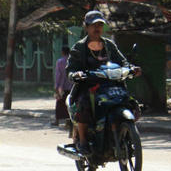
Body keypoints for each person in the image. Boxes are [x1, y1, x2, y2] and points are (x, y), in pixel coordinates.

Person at [66, 10, 141, 154]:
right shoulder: (79, 47)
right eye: (94, 25)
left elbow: (123, 62)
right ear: (86, 27)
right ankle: (83, 141)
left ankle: (124, 134)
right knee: (84, 105)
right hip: (89, 86)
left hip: (111, 85)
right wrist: (76, 74)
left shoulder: (109, 45)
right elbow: (70, 69)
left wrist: (131, 69)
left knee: (128, 101)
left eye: (100, 25)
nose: (97, 28)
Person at [53, 46, 73, 127]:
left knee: (59, 103)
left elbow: (58, 75)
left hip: (62, 86)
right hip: (71, 86)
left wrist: (56, 86)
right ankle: (68, 122)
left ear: (62, 52)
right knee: (69, 104)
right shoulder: (72, 61)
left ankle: (57, 121)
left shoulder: (60, 61)